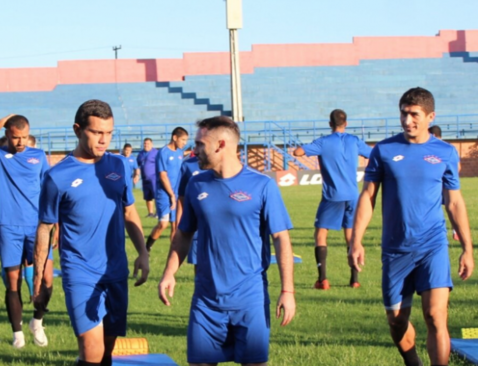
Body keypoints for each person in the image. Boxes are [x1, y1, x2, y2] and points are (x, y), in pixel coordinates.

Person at [349, 87, 474, 366]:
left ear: (430, 116)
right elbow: (368, 196)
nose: (407, 121)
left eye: (414, 115)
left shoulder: (444, 153)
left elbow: (453, 202)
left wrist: (467, 248)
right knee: (396, 322)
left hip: (433, 246)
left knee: (435, 315)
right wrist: (355, 241)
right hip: (395, 250)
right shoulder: (384, 150)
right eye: (403, 114)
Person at [159, 116, 295, 366]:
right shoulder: (196, 184)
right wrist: (169, 273)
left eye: (200, 144)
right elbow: (184, 234)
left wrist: (287, 290)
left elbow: (281, 239)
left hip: (250, 299)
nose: (194, 149)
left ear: (220, 144)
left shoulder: (262, 185)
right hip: (206, 299)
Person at [33, 99, 149, 366]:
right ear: (77, 129)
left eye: (108, 133)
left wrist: (143, 252)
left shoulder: (118, 166)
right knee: (92, 351)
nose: (103, 140)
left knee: (106, 353)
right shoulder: (57, 176)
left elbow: (129, 212)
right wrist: (39, 276)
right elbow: (45, 228)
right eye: (97, 132)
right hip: (81, 272)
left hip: (116, 270)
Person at [0, 115, 54, 349]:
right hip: (8, 228)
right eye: (14, 137)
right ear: (7, 135)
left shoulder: (38, 157)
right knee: (13, 282)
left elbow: (49, 190)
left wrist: (55, 225)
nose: (20, 142)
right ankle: (17, 332)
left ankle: (37, 322)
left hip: (37, 227)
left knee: (47, 280)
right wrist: (2, 121)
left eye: (23, 137)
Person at [293, 109, 372, 289]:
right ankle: (355, 280)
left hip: (332, 196)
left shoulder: (324, 142)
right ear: (346, 123)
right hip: (353, 194)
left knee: (321, 234)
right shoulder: (354, 141)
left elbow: (298, 152)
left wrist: (308, 148)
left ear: (330, 124)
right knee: (351, 236)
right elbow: (372, 154)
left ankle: (323, 280)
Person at [145, 127, 189, 252]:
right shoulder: (163, 152)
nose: (184, 143)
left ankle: (173, 253)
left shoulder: (179, 152)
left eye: (186, 140)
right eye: (183, 139)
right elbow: (163, 176)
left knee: (175, 226)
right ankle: (147, 248)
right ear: (175, 138)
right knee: (163, 224)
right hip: (164, 194)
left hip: (177, 193)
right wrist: (171, 195)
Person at [176, 153, 203, 273]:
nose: (196, 148)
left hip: (221, 230)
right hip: (197, 227)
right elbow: (181, 200)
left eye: (200, 144)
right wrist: (178, 227)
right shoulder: (188, 166)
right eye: (196, 143)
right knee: (199, 265)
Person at [136, 138, 158, 218]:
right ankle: (150, 213)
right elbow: (137, 164)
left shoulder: (156, 153)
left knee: (156, 196)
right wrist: (136, 174)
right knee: (148, 197)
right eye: (145, 143)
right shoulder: (141, 153)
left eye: (148, 143)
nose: (146, 145)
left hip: (154, 178)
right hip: (145, 178)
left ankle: (158, 213)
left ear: (152, 144)